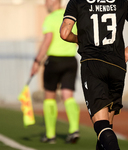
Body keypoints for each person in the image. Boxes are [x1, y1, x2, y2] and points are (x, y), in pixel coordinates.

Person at [60, 0, 128, 149]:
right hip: (117, 66)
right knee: (106, 127)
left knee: (101, 125)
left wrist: (79, 39)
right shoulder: (122, 2)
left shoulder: (77, 2)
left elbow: (64, 33)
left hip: (93, 65)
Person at [30, 0, 80, 144]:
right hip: (71, 61)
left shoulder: (50, 18)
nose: (45, 4)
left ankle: (50, 135)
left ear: (54, 2)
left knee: (50, 97)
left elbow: (47, 41)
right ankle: (74, 129)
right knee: (68, 95)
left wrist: (37, 61)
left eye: (47, 1)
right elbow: (78, 39)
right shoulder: (72, 17)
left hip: (54, 61)